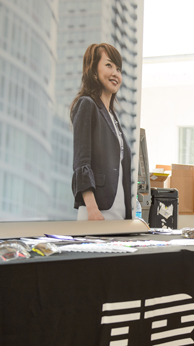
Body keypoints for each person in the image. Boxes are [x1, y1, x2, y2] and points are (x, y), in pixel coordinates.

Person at [71, 43, 133, 220]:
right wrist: (92, 209)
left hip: (119, 215)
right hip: (97, 214)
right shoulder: (87, 105)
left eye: (118, 69)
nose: (115, 73)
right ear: (93, 70)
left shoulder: (113, 117)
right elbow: (81, 164)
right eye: (109, 65)